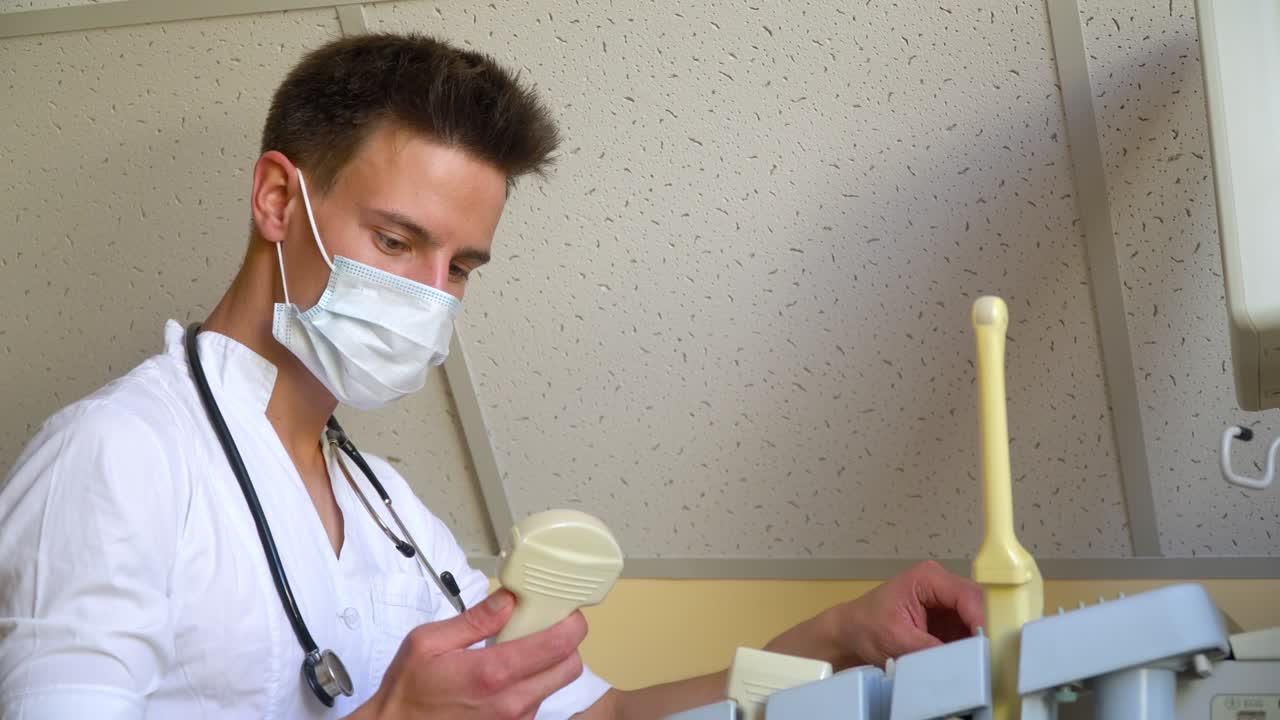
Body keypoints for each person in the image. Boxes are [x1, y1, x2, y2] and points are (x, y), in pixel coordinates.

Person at [0, 33, 984, 719]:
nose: (432, 298)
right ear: (275, 199)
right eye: (397, 240)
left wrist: (839, 639)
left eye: (461, 267)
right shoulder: (119, 458)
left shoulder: (387, 509)